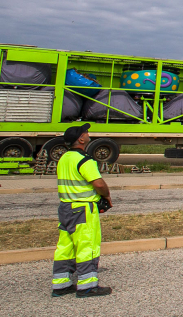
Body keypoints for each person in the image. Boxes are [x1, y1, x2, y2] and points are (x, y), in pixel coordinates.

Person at [51, 123, 113, 297]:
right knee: (87, 246)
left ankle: (61, 285)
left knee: (65, 247)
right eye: (85, 132)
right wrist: (106, 196)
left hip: (65, 207)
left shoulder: (64, 158)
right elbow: (98, 183)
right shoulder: (84, 160)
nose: (87, 133)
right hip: (83, 209)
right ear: (81, 139)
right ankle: (87, 286)